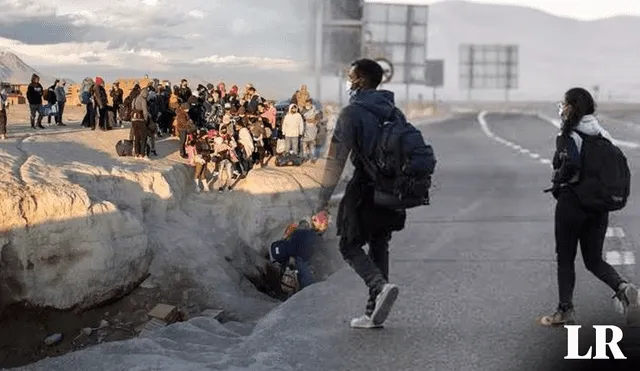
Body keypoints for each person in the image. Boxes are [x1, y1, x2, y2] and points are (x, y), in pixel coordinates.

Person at [315, 59, 416, 329]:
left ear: (359, 80)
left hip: (364, 187)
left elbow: (336, 160)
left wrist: (322, 198)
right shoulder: (393, 112)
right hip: (392, 188)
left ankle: (378, 286)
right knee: (379, 242)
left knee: (348, 245)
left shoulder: (352, 113)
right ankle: (373, 313)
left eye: (351, 76)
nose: (348, 80)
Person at [541, 87, 640, 326]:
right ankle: (623, 287)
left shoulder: (568, 133)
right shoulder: (603, 133)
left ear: (571, 107)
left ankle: (565, 311)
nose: (561, 107)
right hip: (599, 206)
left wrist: (558, 180)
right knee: (594, 259)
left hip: (572, 202)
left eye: (564, 103)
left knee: (565, 258)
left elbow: (571, 164)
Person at [269, 213, 329, 292]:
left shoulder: (292, 237)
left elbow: (277, 247)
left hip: (288, 258)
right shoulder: (310, 237)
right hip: (299, 261)